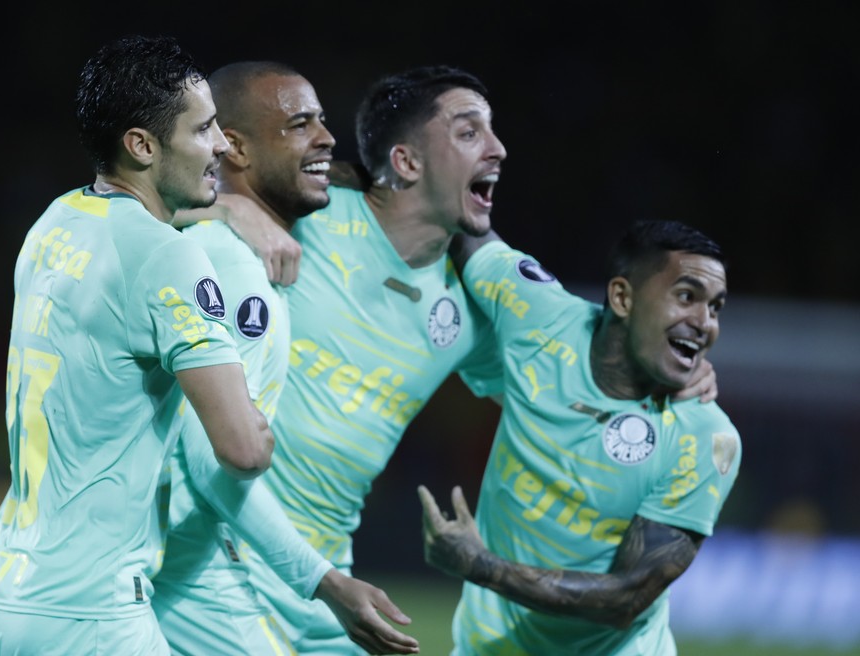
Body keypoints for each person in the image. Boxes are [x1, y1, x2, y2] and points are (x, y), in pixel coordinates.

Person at [192, 65, 718, 655]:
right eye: (469, 133)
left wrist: (668, 365)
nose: (498, 149)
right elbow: (133, 210)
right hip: (220, 554)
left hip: (324, 582)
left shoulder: (472, 310)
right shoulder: (306, 213)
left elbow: (571, 374)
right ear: (408, 162)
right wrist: (226, 209)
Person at [0, 35, 277, 655]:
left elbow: (140, 237)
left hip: (7, 587)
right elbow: (242, 449)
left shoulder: (55, 222)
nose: (222, 145)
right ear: (142, 145)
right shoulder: (171, 260)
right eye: (205, 129)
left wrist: (231, 213)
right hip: (90, 611)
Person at [152, 61, 419, 656]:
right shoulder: (239, 272)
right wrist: (325, 582)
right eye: (300, 124)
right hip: (182, 576)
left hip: (154, 569)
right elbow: (214, 460)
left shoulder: (191, 243)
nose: (326, 136)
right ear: (236, 148)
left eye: (323, 120)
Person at [418, 220, 742, 655]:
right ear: (622, 297)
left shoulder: (703, 437)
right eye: (687, 297)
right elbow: (455, 218)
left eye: (716, 307)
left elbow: (625, 598)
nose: (705, 323)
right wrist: (300, 209)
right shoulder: (538, 315)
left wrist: (481, 565)